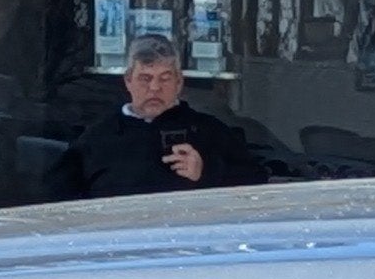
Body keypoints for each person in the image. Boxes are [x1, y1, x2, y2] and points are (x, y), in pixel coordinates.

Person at [53, 33, 262, 199]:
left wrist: (206, 172)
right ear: (128, 81)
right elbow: (58, 198)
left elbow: (256, 185)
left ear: (179, 82)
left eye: (165, 78)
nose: (154, 88)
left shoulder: (209, 132)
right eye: (145, 78)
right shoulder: (98, 138)